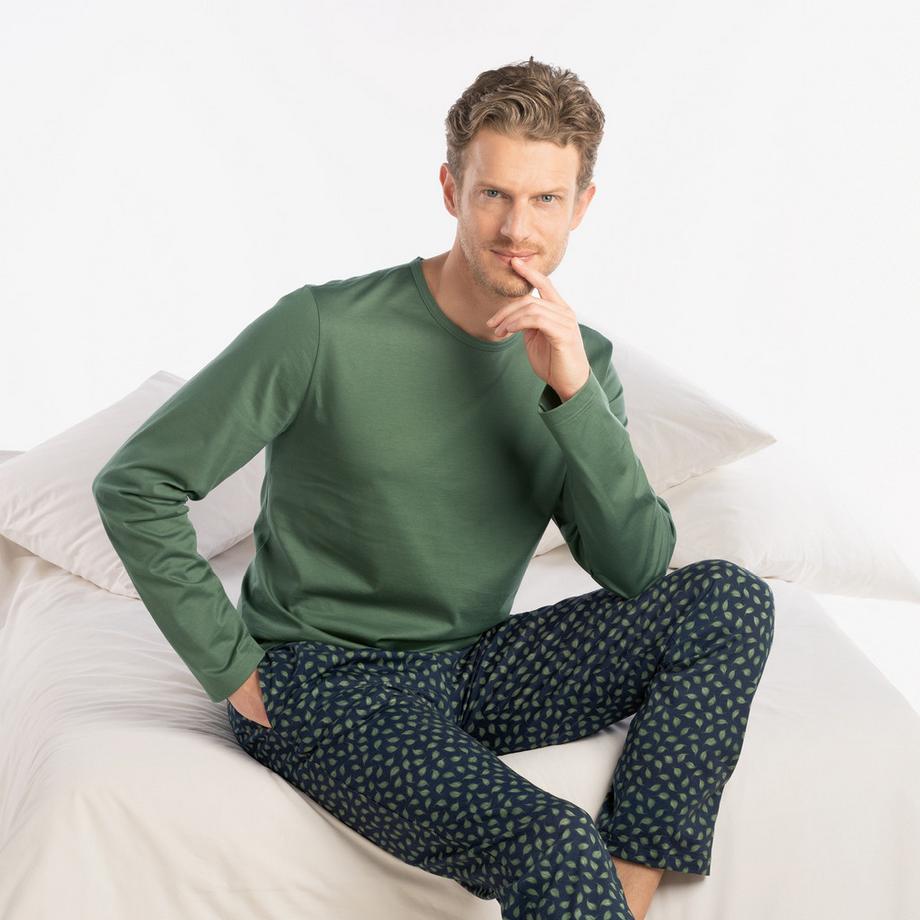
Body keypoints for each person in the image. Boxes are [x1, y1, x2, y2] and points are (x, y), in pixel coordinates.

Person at [92, 56, 774, 920]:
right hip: (326, 677)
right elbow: (136, 483)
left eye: (545, 199)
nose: (517, 228)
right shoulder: (322, 327)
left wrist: (574, 393)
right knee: (552, 840)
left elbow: (636, 567)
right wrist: (228, 666)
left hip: (473, 665)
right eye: (494, 194)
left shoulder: (580, 359)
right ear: (451, 189)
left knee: (728, 600)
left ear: (581, 206)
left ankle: (627, 898)